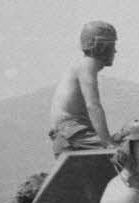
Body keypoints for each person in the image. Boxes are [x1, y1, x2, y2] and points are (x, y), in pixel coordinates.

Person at [49, 21, 119, 157]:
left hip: (68, 135)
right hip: (73, 134)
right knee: (127, 153)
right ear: (101, 46)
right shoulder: (88, 65)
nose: (115, 51)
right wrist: (107, 143)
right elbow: (93, 106)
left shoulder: (80, 65)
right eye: (112, 45)